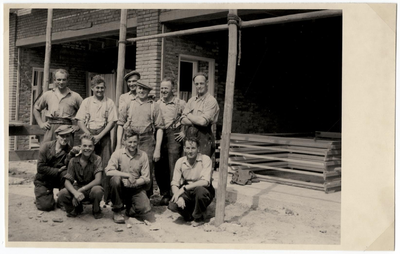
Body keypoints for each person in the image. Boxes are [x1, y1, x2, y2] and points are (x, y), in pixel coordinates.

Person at [117, 80, 164, 197]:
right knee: (128, 165)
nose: (141, 91)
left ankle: (146, 196)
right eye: (139, 88)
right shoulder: (128, 103)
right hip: (130, 138)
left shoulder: (154, 105)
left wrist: (157, 148)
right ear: (136, 89)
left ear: (148, 91)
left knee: (147, 167)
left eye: (144, 89)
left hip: (147, 139)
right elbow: (120, 124)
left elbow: (160, 128)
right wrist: (119, 144)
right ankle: (127, 196)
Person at [75, 75, 117, 203]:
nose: (100, 90)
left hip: (103, 135)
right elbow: (79, 120)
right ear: (92, 88)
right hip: (89, 134)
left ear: (105, 88)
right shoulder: (86, 102)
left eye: (102, 88)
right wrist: (88, 135)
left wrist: (99, 136)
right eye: (97, 88)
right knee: (88, 163)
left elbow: (112, 122)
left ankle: (106, 196)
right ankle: (88, 194)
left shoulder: (109, 102)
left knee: (105, 164)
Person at [105, 129, 152, 224]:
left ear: (138, 142)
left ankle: (130, 209)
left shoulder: (143, 155)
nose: (132, 145)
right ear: (124, 142)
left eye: (135, 142)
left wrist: (133, 183)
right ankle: (117, 210)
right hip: (121, 188)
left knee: (145, 209)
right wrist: (127, 175)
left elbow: (146, 178)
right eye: (130, 142)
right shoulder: (118, 153)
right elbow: (108, 171)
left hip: (135, 187)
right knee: (115, 179)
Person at [168, 137, 215, 227]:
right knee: (172, 204)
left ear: (198, 149)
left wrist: (184, 188)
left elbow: (205, 182)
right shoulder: (180, 162)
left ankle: (199, 218)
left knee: (201, 191)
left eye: (193, 148)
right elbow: (174, 183)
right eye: (188, 148)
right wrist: (178, 196)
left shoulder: (205, 159)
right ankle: (191, 215)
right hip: (188, 191)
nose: (190, 151)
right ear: (184, 149)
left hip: (203, 189)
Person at [155, 77, 186, 205]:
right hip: (159, 135)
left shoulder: (181, 103)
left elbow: (186, 118)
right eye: (162, 88)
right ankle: (165, 194)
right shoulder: (157, 103)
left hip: (174, 135)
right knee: (160, 166)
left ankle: (176, 196)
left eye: (166, 88)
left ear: (172, 89)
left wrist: (184, 131)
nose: (163, 91)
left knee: (174, 165)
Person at [58, 133, 104, 219]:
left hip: (91, 188)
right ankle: (76, 209)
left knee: (98, 190)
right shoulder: (73, 160)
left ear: (93, 147)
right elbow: (67, 181)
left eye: (90, 146)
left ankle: (96, 209)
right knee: (62, 193)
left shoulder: (97, 159)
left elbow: (98, 180)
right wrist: (75, 193)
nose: (87, 148)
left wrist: (81, 190)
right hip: (78, 187)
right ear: (80, 146)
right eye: (85, 146)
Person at [33, 69, 83, 146]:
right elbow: (36, 109)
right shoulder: (48, 95)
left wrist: (78, 126)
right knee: (49, 151)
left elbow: (85, 112)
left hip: (67, 127)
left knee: (66, 153)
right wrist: (41, 123)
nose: (61, 82)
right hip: (51, 127)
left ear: (67, 80)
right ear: (54, 80)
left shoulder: (75, 96)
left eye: (64, 80)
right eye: (59, 79)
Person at [34, 125, 76, 211]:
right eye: (62, 136)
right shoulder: (46, 146)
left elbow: (69, 170)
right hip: (43, 180)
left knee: (66, 174)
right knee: (46, 206)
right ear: (57, 135)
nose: (65, 139)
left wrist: (71, 156)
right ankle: (43, 196)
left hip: (58, 180)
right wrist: (58, 170)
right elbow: (40, 168)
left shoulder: (69, 151)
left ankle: (61, 198)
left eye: (67, 136)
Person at [180, 72, 219, 158]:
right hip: (190, 135)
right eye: (197, 84)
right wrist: (194, 120)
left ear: (207, 83)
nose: (199, 86)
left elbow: (202, 122)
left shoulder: (211, 101)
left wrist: (188, 115)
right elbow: (182, 119)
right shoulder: (191, 100)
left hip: (204, 135)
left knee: (202, 164)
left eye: (201, 83)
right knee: (188, 164)